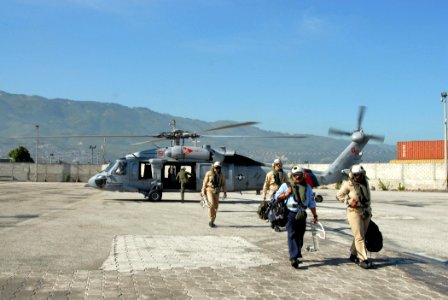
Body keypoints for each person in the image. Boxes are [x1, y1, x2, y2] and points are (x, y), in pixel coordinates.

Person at [274, 166, 318, 269]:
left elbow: (311, 203)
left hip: (302, 214)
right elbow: (276, 196)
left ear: (303, 176)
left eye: (300, 175)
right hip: (290, 213)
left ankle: (297, 252)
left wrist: (315, 215)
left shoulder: (308, 188)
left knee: (300, 235)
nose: (297, 178)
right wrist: (285, 194)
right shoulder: (286, 185)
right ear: (292, 176)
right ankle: (293, 257)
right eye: (295, 175)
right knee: (292, 234)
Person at [336, 164, 373, 269]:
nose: (359, 177)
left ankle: (353, 254)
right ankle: (363, 259)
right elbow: (338, 196)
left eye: (361, 175)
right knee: (359, 236)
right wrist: (348, 201)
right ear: (352, 175)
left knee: (360, 235)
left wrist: (368, 210)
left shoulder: (365, 183)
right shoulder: (348, 184)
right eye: (356, 175)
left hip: (366, 211)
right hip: (354, 212)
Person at [201, 161, 227, 228]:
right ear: (213, 167)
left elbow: (223, 184)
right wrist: (203, 191)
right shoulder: (209, 173)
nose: (217, 169)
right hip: (209, 190)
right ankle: (210, 220)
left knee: (216, 207)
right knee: (211, 204)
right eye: (216, 167)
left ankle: (212, 221)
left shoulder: (221, 175)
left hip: (217, 191)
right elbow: (204, 182)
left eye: (218, 167)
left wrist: (225, 192)